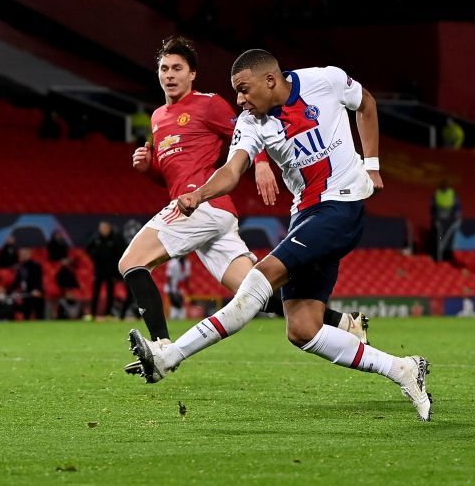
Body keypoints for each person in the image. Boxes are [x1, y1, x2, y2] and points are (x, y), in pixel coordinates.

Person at [128, 49, 432, 422]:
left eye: (243, 89)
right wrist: (200, 193)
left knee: (258, 280)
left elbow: (365, 103)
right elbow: (231, 169)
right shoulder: (251, 123)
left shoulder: (326, 80)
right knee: (302, 329)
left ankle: (168, 356)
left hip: (340, 206)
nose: (239, 99)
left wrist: (372, 165)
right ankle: (403, 369)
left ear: (270, 80)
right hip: (305, 215)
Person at [119, 36, 368, 363]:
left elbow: (245, 133)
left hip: (203, 204)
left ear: (192, 74)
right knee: (250, 291)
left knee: (130, 262)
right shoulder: (158, 118)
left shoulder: (208, 103)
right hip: (206, 209)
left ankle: (161, 346)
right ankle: (343, 322)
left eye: (177, 68)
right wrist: (149, 168)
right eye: (164, 68)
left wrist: (262, 164)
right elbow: (172, 176)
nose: (169, 75)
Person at [86, 220, 126, 319]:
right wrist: (94, 257)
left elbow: (121, 252)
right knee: (96, 292)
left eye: (105, 227)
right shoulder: (96, 238)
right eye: (101, 228)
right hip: (99, 270)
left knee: (110, 292)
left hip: (111, 271)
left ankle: (108, 314)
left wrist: (115, 265)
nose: (103, 230)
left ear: (109, 228)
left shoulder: (115, 238)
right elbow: (87, 248)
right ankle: (92, 314)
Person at [7, 248, 44, 320]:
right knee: (26, 314)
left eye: (25, 254)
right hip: (26, 294)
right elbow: (17, 281)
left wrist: (37, 289)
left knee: (39, 315)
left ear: (29, 254)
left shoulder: (36, 265)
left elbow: (38, 279)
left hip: (36, 293)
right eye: (21, 254)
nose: (23, 256)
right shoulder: (20, 267)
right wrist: (8, 292)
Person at [430, 179, 462, 261]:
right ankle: (437, 257)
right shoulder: (436, 194)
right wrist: (434, 218)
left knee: (449, 239)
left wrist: (457, 217)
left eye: (446, 186)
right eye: (443, 186)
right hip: (439, 220)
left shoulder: (453, 194)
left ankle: (448, 257)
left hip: (449, 220)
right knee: (438, 239)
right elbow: (433, 208)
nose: (444, 188)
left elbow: (457, 207)